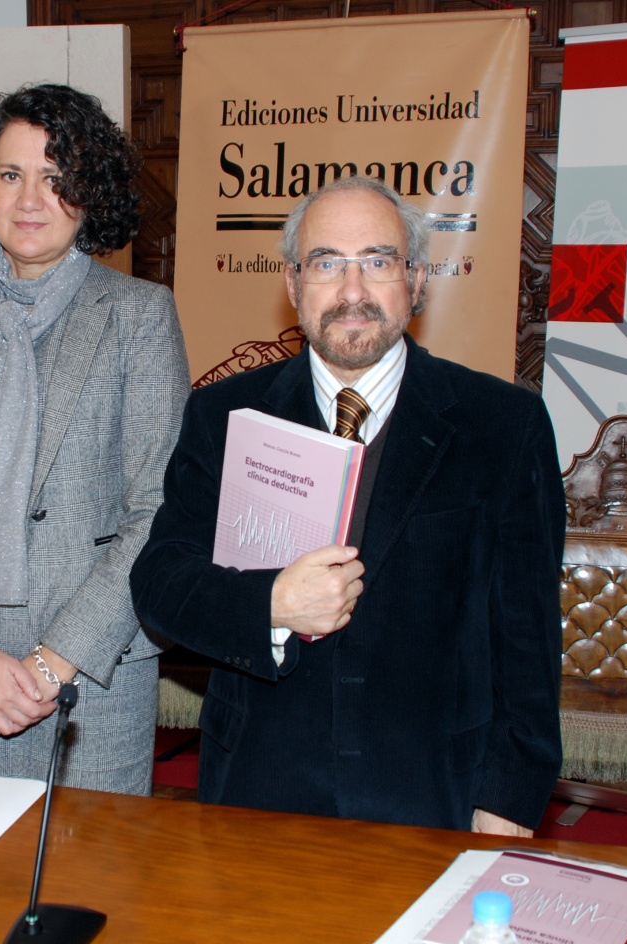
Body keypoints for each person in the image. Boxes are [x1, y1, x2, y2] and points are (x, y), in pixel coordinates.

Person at [130, 177, 564, 833]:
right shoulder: (224, 413)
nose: (352, 291)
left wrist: (506, 800)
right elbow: (161, 583)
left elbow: (527, 642)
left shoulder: (504, 425)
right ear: (293, 283)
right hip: (258, 790)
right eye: (327, 263)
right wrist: (271, 603)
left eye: (378, 262)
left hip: (434, 799)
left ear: (416, 281)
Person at [0, 84, 189, 795]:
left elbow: (158, 508)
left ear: (91, 194)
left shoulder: (138, 315)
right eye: (10, 174)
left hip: (95, 665)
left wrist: (53, 663)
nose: (28, 200)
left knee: (94, 889)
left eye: (57, 179)